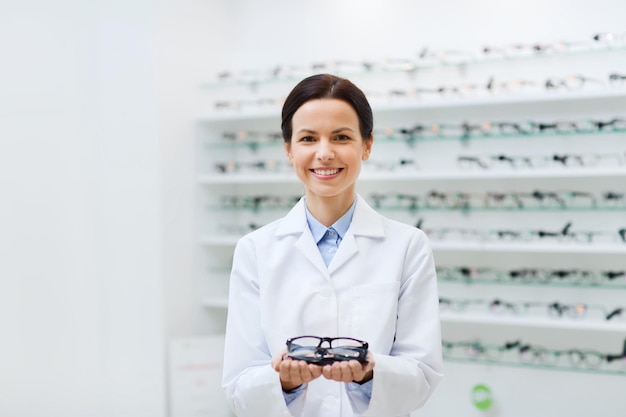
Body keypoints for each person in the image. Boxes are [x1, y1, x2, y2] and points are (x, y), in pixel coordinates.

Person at [222, 73, 443, 417]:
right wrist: (285, 382)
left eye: (341, 137)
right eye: (308, 138)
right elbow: (239, 385)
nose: (324, 154)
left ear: (367, 145)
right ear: (288, 149)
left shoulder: (408, 247)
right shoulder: (255, 250)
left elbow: (423, 373)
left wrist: (369, 374)